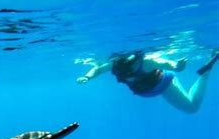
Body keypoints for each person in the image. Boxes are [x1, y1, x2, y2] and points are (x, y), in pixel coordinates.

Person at [76, 50, 219, 113]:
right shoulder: (115, 64)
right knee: (191, 108)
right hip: (154, 89)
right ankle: (205, 73)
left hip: (164, 85)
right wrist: (87, 77)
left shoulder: (146, 62)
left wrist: (177, 66)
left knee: (192, 108)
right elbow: (98, 69)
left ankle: (205, 74)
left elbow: (168, 64)